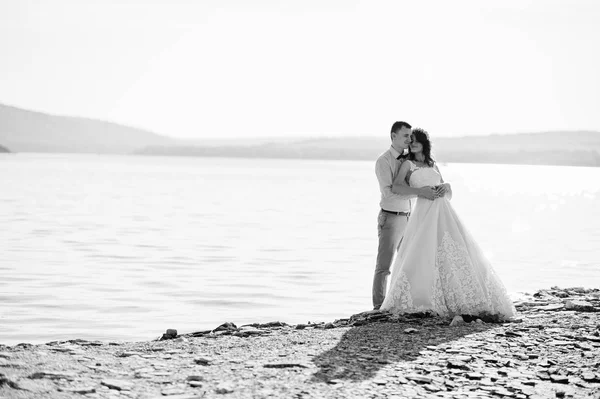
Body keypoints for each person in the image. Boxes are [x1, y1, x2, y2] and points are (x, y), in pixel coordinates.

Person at [380, 128, 516, 319]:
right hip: (425, 210)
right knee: (424, 251)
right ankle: (424, 296)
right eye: (411, 141)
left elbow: (445, 186)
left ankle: (461, 296)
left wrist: (446, 187)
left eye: (417, 140)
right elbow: (396, 186)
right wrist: (421, 192)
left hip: (443, 211)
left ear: (424, 143)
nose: (414, 143)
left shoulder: (432, 164)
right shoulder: (407, 164)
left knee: (453, 250)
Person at [372, 122, 437, 310]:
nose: (410, 139)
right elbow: (389, 193)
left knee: (408, 262)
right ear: (393, 137)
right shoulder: (383, 161)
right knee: (384, 266)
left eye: (410, 136)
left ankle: (403, 302)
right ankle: (378, 307)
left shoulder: (409, 160)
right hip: (391, 217)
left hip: (410, 217)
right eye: (405, 136)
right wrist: (420, 192)